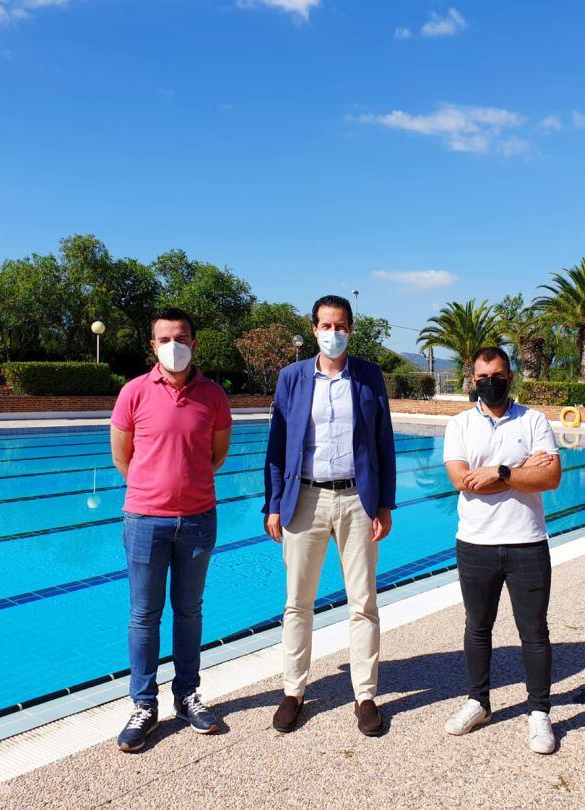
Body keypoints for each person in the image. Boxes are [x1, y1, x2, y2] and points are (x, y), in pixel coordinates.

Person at [263, 294, 397, 736]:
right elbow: (278, 446)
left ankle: (365, 695)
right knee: (298, 603)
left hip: (357, 500)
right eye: (326, 325)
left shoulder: (369, 377)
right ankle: (293, 691)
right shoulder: (292, 378)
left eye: (341, 326)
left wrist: (384, 503)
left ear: (350, 330)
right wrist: (273, 503)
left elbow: (383, 443)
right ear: (313, 329)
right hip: (304, 499)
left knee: (363, 603)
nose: (333, 333)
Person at [110, 307, 233, 752]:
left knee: (189, 611)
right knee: (144, 615)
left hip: (199, 519)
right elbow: (122, 457)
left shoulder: (214, 396)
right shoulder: (133, 393)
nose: (173, 346)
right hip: (144, 519)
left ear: (194, 343)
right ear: (153, 345)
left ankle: (187, 697)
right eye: (164, 338)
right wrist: (154, 491)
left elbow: (216, 456)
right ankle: (144, 704)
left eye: (180, 337)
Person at [441, 347, 562, 754]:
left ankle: (539, 712)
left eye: (497, 374)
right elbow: (461, 480)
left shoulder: (534, 419)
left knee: (534, 632)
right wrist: (522, 469)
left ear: (510, 377)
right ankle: (478, 702)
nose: (489, 382)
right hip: (475, 543)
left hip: (527, 542)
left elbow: (552, 478)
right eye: (482, 376)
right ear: (472, 380)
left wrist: (500, 471)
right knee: (477, 628)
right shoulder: (458, 424)